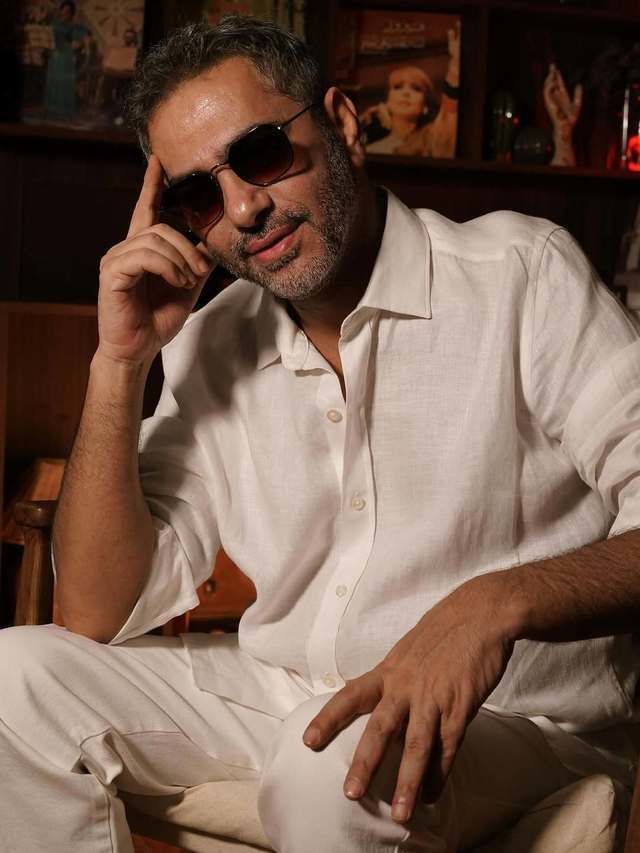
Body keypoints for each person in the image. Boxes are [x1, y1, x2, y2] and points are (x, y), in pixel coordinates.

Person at [2, 14, 640, 852]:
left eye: (262, 152)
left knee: (332, 766)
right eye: (199, 195)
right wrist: (118, 362)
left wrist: (495, 603)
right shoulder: (211, 340)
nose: (244, 207)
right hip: (291, 692)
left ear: (342, 123)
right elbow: (92, 610)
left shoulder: (520, 276)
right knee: (15, 680)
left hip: (520, 723)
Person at [360, 23, 459, 157]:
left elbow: (448, 113)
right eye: (398, 87)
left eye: (416, 88)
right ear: (387, 101)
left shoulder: (433, 139)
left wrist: (456, 64)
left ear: (425, 107)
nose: (406, 93)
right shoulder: (369, 149)